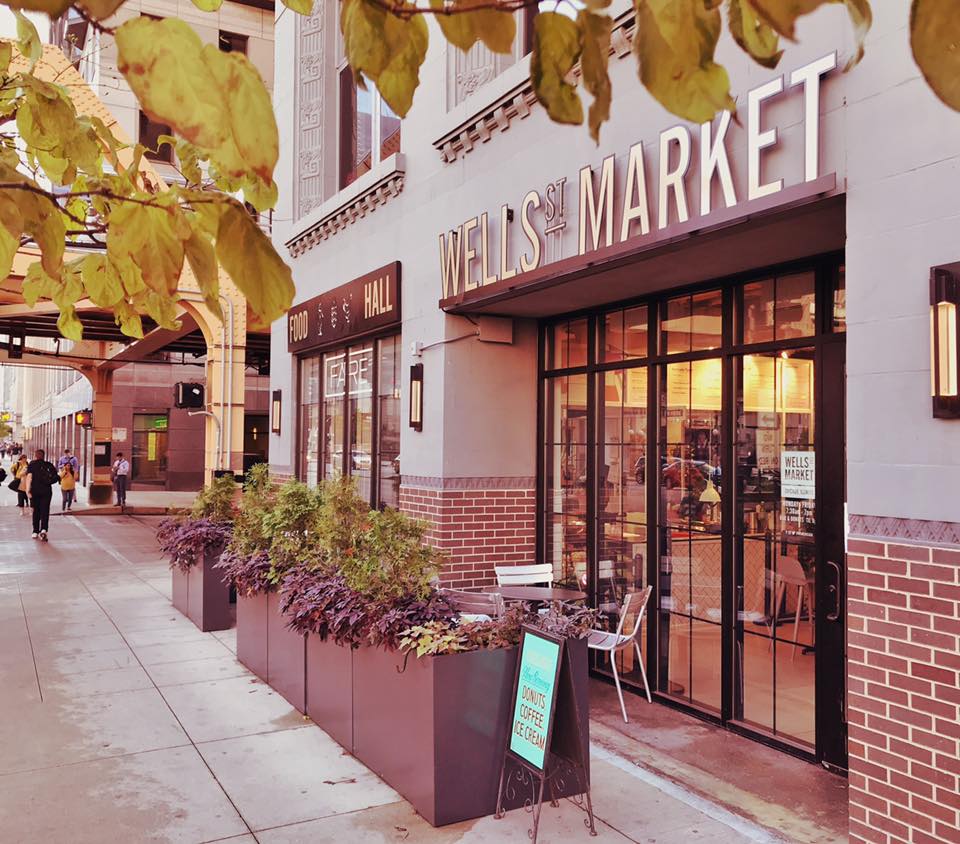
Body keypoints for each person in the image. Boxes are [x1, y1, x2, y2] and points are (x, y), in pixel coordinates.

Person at [24, 449, 59, 541]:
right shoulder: (49, 465)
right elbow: (56, 477)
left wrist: (27, 491)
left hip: (35, 491)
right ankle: (44, 529)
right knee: (45, 510)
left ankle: (35, 531)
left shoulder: (31, 465)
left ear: (35, 456)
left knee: (36, 511)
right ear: (43, 456)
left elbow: (29, 478)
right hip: (46, 491)